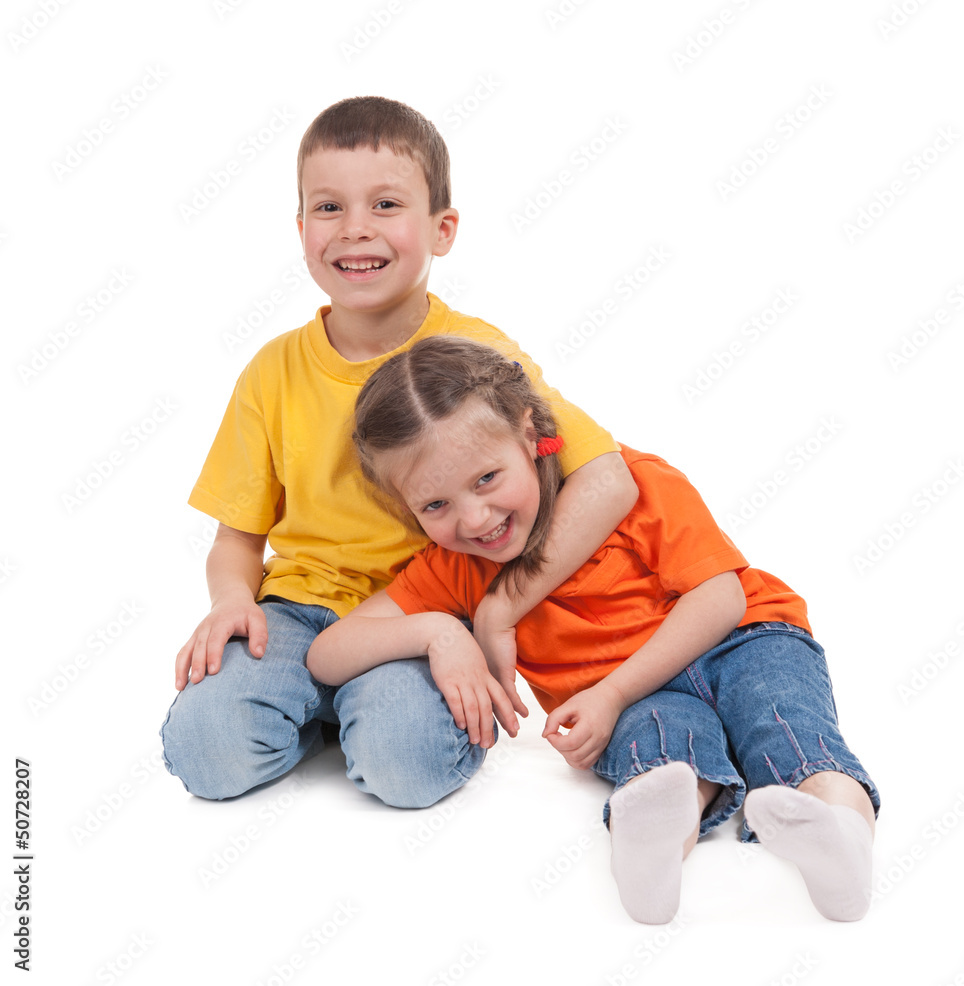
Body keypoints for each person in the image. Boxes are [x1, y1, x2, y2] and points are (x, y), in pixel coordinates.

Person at [159, 96, 638, 808]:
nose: (355, 229)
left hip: (423, 611)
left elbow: (607, 480)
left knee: (404, 767)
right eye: (328, 208)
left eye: (386, 204)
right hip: (298, 609)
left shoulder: (480, 357)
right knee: (207, 752)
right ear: (299, 229)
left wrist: (490, 615)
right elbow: (237, 537)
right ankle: (317, 701)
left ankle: (362, 709)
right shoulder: (272, 371)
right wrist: (232, 600)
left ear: (442, 229)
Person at [306, 335, 880, 924]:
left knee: (786, 728)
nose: (475, 519)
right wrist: (438, 633)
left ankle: (839, 836)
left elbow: (721, 599)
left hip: (747, 642)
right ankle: (651, 846)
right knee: (660, 754)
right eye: (435, 506)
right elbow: (328, 653)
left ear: (531, 435)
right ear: (406, 508)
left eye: (486, 479)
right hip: (639, 699)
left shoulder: (631, 482)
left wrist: (610, 693)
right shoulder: (455, 568)